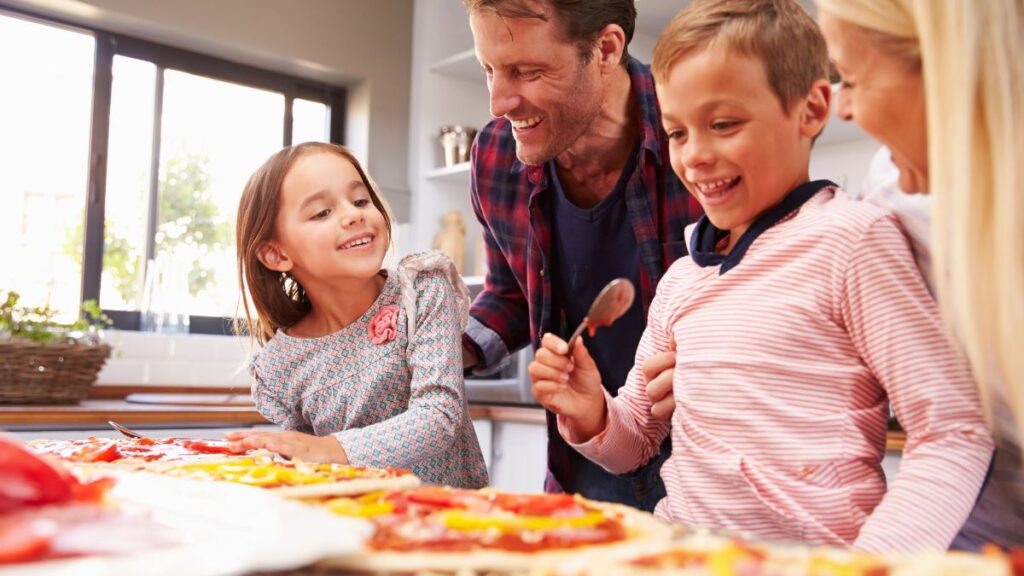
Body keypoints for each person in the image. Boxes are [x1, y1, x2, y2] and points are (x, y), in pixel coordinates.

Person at [529, 0, 993, 552]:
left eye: (723, 124)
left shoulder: (853, 241)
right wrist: (591, 412)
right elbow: (637, 440)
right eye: (677, 133)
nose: (695, 156)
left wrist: (871, 566)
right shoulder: (681, 281)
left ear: (812, 108)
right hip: (683, 555)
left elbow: (953, 431)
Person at [460, 0, 702, 511]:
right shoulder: (494, 154)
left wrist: (725, 356)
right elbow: (508, 293)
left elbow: (762, 280)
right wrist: (446, 350)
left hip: (703, 468)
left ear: (606, 49)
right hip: (583, 463)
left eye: (526, 71)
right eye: (488, 69)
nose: (499, 101)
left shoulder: (697, 130)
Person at [814, 0, 1024, 550]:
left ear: (950, 70)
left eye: (853, 79)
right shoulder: (891, 191)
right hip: (966, 544)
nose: (845, 110)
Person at [227, 142, 488, 489]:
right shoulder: (280, 365)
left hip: (454, 525)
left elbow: (438, 418)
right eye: (322, 212)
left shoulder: (421, 289)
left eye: (360, 200)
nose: (353, 215)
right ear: (275, 255)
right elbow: (310, 469)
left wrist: (329, 448)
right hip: (354, 530)